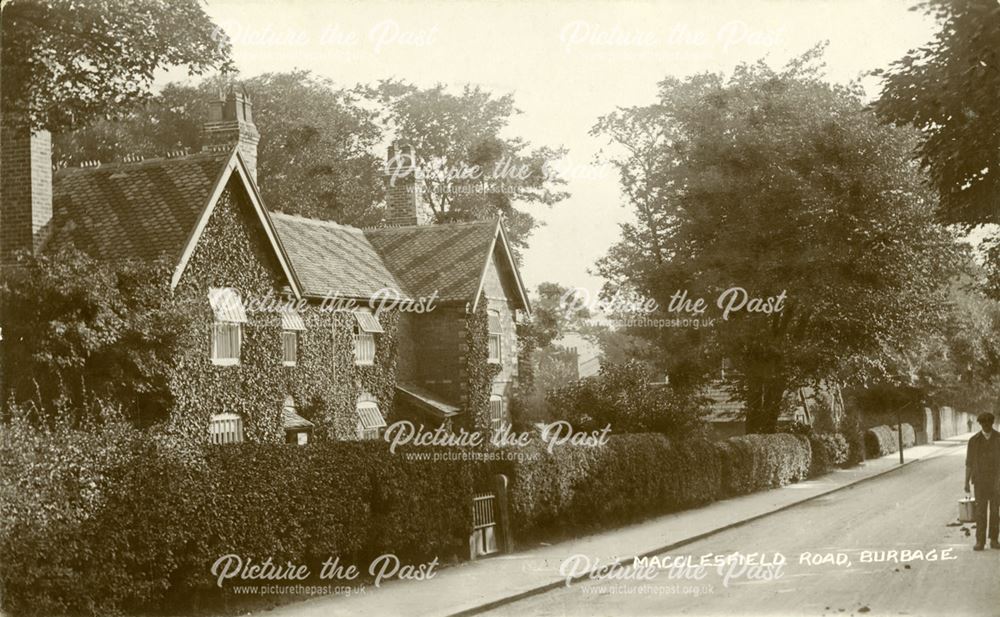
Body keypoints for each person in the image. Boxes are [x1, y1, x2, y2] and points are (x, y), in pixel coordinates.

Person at [965, 412, 1000, 550]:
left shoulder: (998, 439)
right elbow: (969, 463)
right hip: (979, 482)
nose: (986, 425)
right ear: (980, 424)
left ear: (992, 423)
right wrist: (966, 482)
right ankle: (980, 541)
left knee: (995, 511)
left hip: (996, 482)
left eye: (988, 423)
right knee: (980, 511)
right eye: (983, 423)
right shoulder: (974, 441)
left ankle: (994, 540)